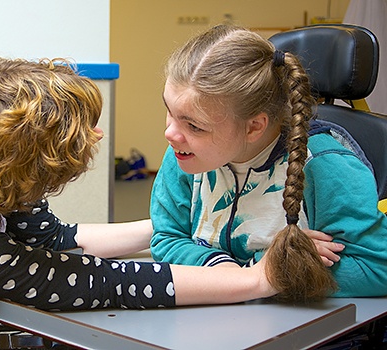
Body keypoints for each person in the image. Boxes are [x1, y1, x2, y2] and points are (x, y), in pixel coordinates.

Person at [0, 57, 276, 333]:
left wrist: (180, 225)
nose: (97, 135)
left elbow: (53, 240)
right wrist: (256, 280)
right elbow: (97, 282)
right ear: (21, 165)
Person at [150, 25, 387, 301]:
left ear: (254, 127)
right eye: (170, 111)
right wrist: (236, 275)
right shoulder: (186, 153)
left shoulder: (324, 165)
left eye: (193, 125)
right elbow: (166, 239)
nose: (171, 133)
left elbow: (377, 268)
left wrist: (281, 268)